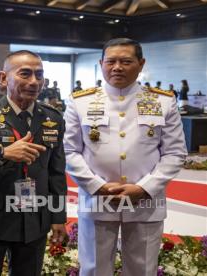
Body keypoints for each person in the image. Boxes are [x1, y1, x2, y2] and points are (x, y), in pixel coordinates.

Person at [64, 38, 187, 276]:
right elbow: (70, 151)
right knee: (93, 270)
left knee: (142, 270)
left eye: (126, 61)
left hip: (146, 202)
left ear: (141, 64)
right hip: (97, 200)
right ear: (101, 63)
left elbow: (175, 152)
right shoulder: (81, 101)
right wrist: (97, 186)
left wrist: (145, 188)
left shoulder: (163, 101)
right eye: (111, 61)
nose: (117, 67)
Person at [0, 50, 67, 276]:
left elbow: (56, 172)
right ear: (3, 78)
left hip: (34, 221)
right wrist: (2, 154)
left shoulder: (52, 118)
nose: (34, 82)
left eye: (39, 75)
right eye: (25, 74)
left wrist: (58, 217)